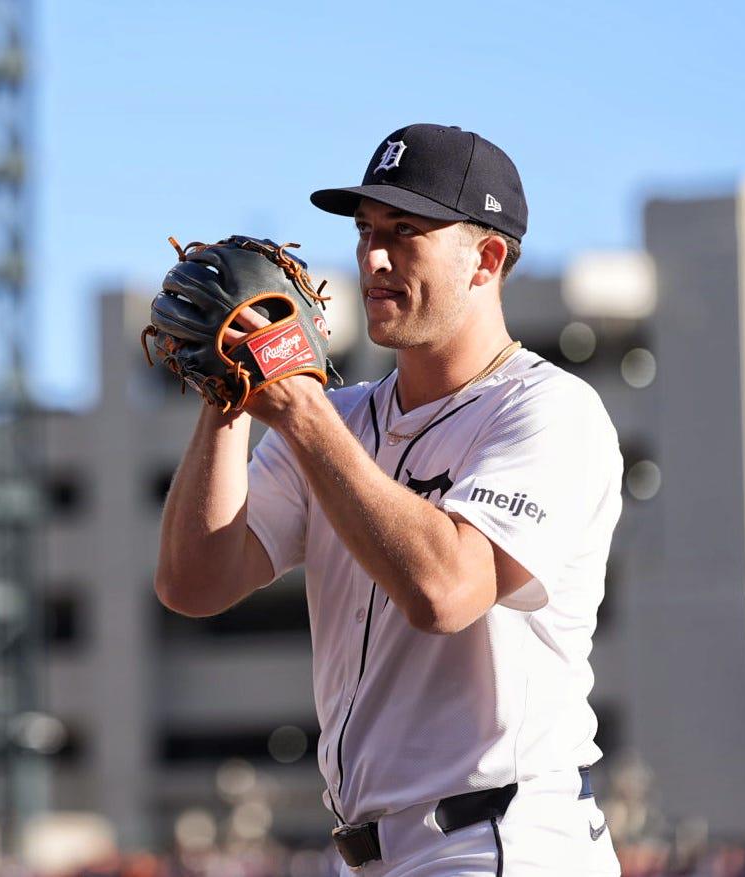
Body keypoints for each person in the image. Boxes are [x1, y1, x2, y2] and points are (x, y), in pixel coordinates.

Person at [154, 123, 624, 876]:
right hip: (366, 853)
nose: (372, 257)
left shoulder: (548, 411)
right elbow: (194, 582)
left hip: (500, 838)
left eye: (405, 233)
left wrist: (300, 408)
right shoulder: (338, 419)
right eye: (366, 229)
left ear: (487, 258)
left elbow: (445, 590)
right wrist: (229, 398)